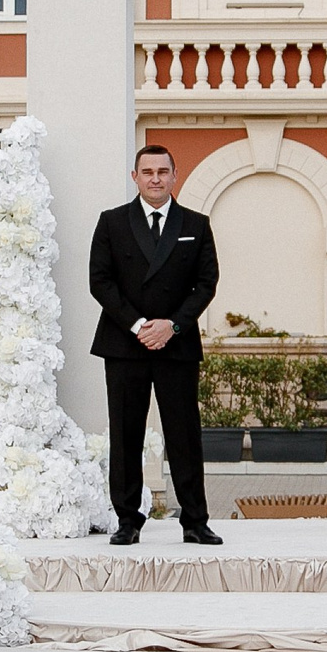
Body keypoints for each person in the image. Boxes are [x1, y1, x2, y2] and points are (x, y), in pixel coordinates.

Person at [87, 144, 222, 546]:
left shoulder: (196, 224)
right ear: (135, 177)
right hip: (125, 343)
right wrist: (138, 324)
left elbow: (206, 283)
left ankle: (195, 521)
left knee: (184, 433)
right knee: (125, 434)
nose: (156, 178)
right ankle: (128, 520)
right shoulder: (111, 223)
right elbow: (100, 281)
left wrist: (173, 326)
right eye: (148, 172)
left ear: (174, 176)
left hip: (175, 345)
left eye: (163, 171)